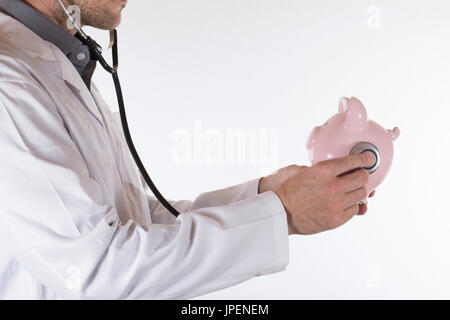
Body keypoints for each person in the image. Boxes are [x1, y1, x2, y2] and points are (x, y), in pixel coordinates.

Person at [0, 0, 376, 299]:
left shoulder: (55, 64)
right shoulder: (9, 82)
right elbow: (98, 268)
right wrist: (283, 213)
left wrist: (268, 195)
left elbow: (132, 225)